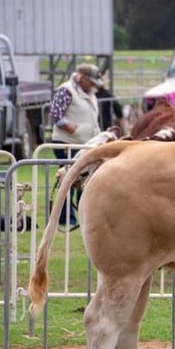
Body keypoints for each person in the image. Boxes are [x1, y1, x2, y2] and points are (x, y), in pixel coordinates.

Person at [49, 63, 103, 229]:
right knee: (69, 180)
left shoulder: (90, 93)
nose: (94, 85)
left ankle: (82, 214)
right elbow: (56, 114)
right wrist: (70, 127)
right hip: (67, 143)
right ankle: (66, 217)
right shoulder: (66, 90)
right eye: (91, 81)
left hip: (84, 144)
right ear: (82, 78)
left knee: (83, 181)